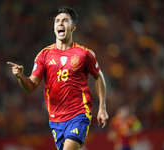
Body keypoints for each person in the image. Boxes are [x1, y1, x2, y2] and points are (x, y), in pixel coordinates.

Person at [7, 6, 108, 150]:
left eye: (65, 21)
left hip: (79, 113)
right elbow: (30, 87)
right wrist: (20, 76)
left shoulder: (84, 54)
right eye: (57, 21)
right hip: (55, 119)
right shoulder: (43, 55)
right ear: (54, 28)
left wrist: (102, 107)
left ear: (73, 27)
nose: (60, 24)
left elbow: (98, 76)